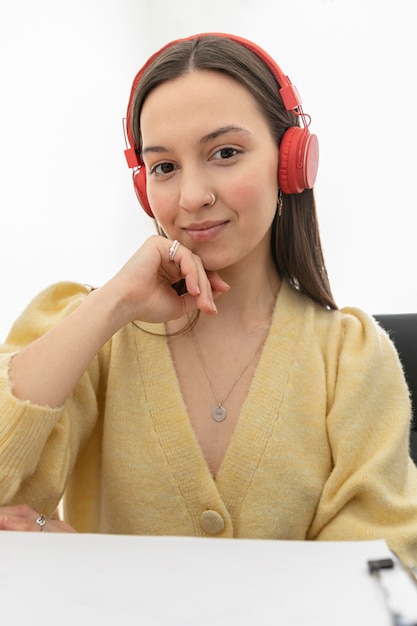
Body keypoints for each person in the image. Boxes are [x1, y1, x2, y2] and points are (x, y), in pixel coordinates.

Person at [0, 33, 416, 566]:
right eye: (164, 167)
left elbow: (370, 584)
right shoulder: (93, 336)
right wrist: (109, 305)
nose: (192, 195)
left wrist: (102, 575)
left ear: (292, 162)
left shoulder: (352, 359)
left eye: (225, 153)